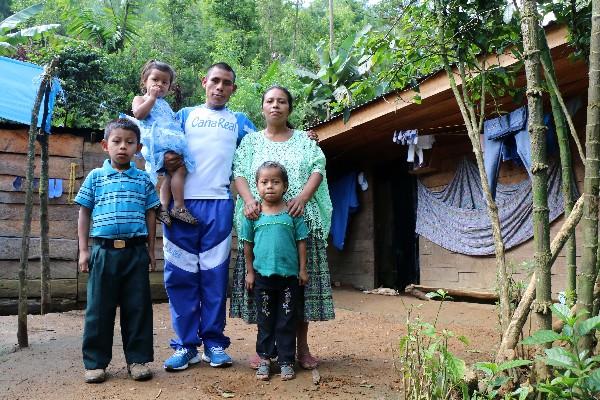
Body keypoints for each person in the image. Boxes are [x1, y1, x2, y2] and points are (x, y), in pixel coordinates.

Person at [230, 85, 334, 370]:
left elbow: (318, 168)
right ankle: (267, 350)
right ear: (262, 107)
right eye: (270, 101)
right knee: (264, 290)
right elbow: (238, 172)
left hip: (301, 222)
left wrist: (301, 198)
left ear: (289, 108)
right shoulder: (249, 142)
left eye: (282, 101)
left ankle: (302, 348)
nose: (275, 105)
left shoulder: (304, 140)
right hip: (260, 225)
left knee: (299, 291)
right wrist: (249, 200)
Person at [161, 62, 257, 371]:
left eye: (226, 83)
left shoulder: (240, 122)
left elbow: (265, 149)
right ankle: (186, 345)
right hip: (180, 206)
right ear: (204, 82)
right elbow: (156, 142)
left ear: (233, 89)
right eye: (214, 80)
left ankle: (214, 343)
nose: (219, 87)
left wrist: (302, 137)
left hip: (219, 205)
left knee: (214, 278)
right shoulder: (184, 116)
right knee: (180, 276)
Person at [75, 118, 160, 384]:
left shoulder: (144, 179)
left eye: (129, 142)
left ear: (138, 147)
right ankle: (95, 363)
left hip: (135, 252)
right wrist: (83, 250)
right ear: (105, 145)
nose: (123, 147)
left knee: (137, 307)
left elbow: (150, 215)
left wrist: (150, 249)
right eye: (116, 141)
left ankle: (137, 361)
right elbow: (84, 212)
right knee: (99, 309)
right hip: (103, 251)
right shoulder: (96, 177)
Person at [240, 161, 309, 381]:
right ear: (257, 186)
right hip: (262, 279)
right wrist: (249, 272)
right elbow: (247, 245)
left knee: (287, 320)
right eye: (264, 182)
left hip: (289, 279)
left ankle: (287, 361)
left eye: (275, 182)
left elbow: (301, 242)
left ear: (285, 186)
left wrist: (303, 270)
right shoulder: (253, 215)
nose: (270, 186)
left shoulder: (293, 213)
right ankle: (265, 359)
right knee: (265, 319)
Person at [131, 59, 197, 226]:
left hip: (169, 143)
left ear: (169, 87)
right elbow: (139, 115)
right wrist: (151, 98)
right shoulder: (140, 98)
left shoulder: (165, 104)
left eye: (165, 82)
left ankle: (164, 207)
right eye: (155, 80)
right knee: (179, 169)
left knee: (173, 172)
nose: (159, 84)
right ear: (144, 81)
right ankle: (179, 207)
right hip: (156, 143)